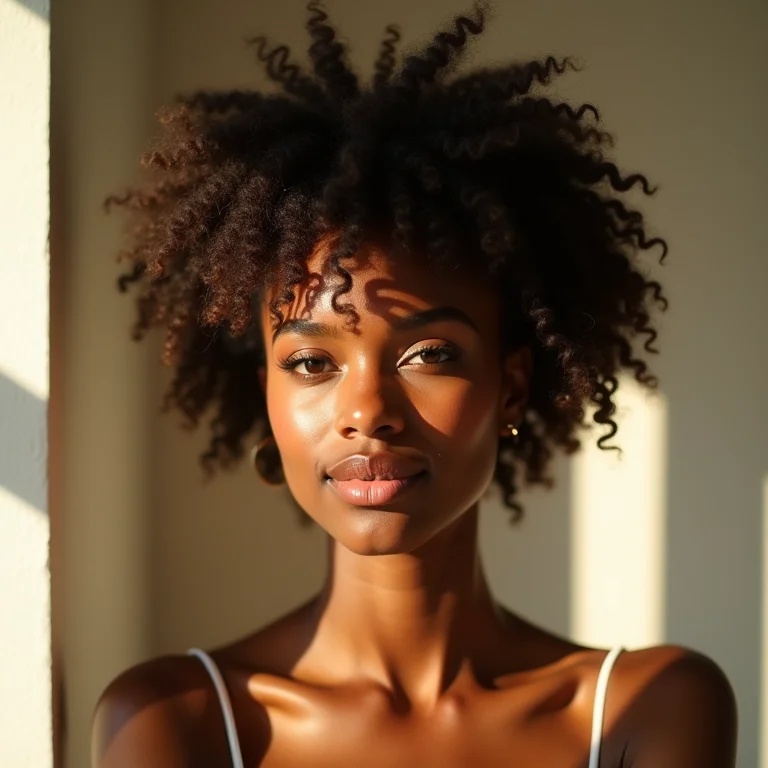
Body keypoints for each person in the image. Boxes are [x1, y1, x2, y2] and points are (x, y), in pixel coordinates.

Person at [92, 1, 737, 765]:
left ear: (512, 388)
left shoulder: (644, 708)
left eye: (429, 354)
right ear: (267, 393)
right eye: (311, 364)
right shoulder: (175, 720)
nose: (367, 412)